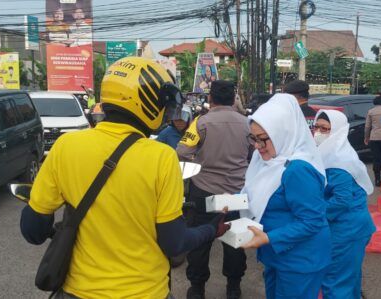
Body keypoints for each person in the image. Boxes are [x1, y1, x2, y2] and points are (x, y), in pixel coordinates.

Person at [20, 57, 230, 298]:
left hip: (79, 291)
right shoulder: (161, 157)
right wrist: (209, 230)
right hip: (146, 291)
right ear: (147, 102)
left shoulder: (65, 146)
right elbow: (174, 243)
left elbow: (33, 231)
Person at [240, 93, 332, 299]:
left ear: (283, 132)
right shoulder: (267, 159)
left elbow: (312, 221)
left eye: (263, 139)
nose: (257, 146)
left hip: (300, 260)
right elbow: (257, 190)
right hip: (277, 254)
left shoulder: (297, 169)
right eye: (253, 138)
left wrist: (269, 237)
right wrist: (232, 201)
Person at [176, 80, 251, 299]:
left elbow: (181, 151)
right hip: (237, 193)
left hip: (204, 191)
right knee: (235, 239)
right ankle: (234, 288)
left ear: (210, 99)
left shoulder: (201, 122)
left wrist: (200, 162)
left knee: (200, 240)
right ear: (233, 99)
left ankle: (197, 289)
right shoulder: (247, 123)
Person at [314, 110, 375, 299]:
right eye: (317, 127)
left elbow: (341, 200)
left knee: (335, 281)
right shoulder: (332, 153)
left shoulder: (339, 161)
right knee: (349, 278)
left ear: (338, 131)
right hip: (350, 226)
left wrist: (312, 214)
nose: (318, 132)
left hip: (346, 229)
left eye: (325, 129)